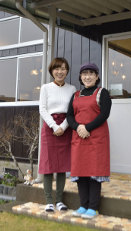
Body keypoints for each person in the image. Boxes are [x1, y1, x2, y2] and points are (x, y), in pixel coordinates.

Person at [66, 63, 112, 219]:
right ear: (80, 77)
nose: (87, 76)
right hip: (79, 137)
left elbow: (104, 114)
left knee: (94, 172)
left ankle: (93, 207)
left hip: (96, 138)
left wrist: (87, 128)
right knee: (81, 172)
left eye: (91, 73)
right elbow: (69, 116)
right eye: (84, 74)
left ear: (97, 76)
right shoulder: (76, 95)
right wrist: (78, 127)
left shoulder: (102, 93)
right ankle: (83, 205)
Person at [39, 57, 76, 213]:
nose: (60, 72)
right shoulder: (45, 88)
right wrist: (54, 126)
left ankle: (59, 200)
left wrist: (63, 126)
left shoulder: (72, 89)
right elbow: (42, 109)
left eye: (63, 68)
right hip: (49, 127)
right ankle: (49, 201)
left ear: (67, 71)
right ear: (52, 71)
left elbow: (72, 111)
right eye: (57, 68)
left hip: (66, 126)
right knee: (48, 166)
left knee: (61, 166)